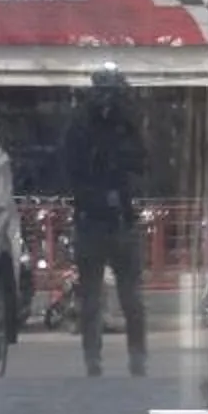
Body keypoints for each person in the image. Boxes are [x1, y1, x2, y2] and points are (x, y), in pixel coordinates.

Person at [60, 66, 149, 377]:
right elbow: (70, 171)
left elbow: (142, 162)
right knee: (92, 300)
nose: (105, 98)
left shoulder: (127, 123)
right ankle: (93, 360)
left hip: (120, 217)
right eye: (102, 90)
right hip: (92, 218)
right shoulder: (81, 125)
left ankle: (136, 358)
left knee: (130, 299)